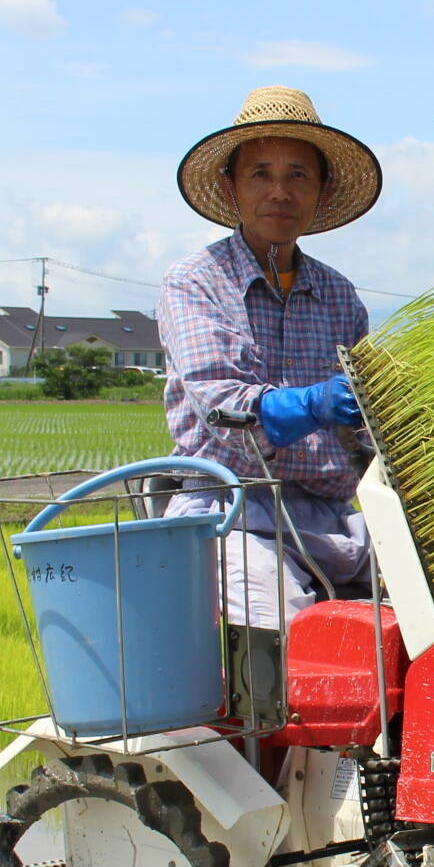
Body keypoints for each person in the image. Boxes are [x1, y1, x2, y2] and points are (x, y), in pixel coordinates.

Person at [158, 86, 383, 627]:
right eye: (260, 173)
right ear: (231, 186)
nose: (279, 191)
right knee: (280, 636)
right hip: (234, 513)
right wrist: (315, 403)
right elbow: (221, 405)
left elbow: (369, 431)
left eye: (298, 175)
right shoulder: (196, 282)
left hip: (334, 520)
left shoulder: (338, 295)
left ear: (321, 190)